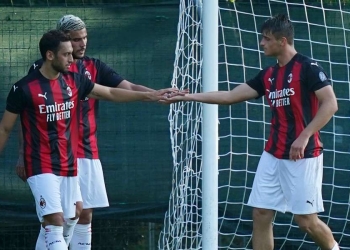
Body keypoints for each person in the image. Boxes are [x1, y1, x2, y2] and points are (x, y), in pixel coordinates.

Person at [162, 14, 339, 250]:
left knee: (306, 221)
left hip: (303, 155)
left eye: (266, 39)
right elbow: (230, 96)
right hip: (273, 155)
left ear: (282, 41)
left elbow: (331, 104)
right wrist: (187, 96)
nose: (261, 43)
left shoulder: (308, 68)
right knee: (261, 213)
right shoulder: (268, 75)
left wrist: (304, 135)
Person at [1, 29, 178, 250]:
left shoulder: (75, 81)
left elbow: (111, 93)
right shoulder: (25, 88)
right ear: (49, 55)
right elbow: (6, 128)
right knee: (55, 220)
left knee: (74, 215)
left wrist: (151, 95)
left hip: (68, 163)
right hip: (40, 164)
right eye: (66, 54)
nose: (71, 58)